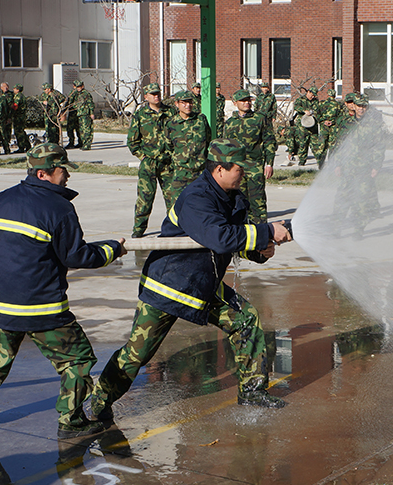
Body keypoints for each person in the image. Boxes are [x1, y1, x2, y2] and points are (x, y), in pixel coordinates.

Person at [87, 139, 292, 422]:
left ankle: (253, 391)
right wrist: (267, 230)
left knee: (245, 319)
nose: (244, 174)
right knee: (137, 354)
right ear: (220, 169)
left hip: (203, 282)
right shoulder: (196, 198)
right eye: (239, 169)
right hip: (170, 285)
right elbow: (218, 238)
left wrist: (261, 250)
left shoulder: (232, 198)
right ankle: (97, 403)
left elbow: (234, 238)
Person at [0, 143, 127, 439]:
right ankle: (71, 421)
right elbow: (77, 256)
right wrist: (112, 249)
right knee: (77, 360)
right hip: (42, 309)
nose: (67, 175)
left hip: (1, 305)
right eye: (62, 170)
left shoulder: (1, 200)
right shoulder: (59, 209)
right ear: (44, 173)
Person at [221, 89, 276, 223]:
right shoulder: (230, 123)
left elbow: (269, 141)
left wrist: (269, 163)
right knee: (238, 202)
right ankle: (243, 234)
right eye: (243, 101)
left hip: (254, 166)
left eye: (248, 100)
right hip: (236, 168)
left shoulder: (259, 118)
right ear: (235, 103)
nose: (247, 103)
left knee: (258, 202)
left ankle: (261, 233)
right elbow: (225, 147)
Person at [334, 93, 385, 239]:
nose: (361, 109)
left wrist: (376, 166)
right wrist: (337, 164)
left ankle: (358, 231)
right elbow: (338, 145)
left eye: (364, 106)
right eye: (359, 106)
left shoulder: (373, 124)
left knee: (360, 200)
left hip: (364, 168)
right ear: (353, 106)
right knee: (341, 199)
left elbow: (379, 146)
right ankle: (336, 229)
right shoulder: (345, 123)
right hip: (347, 167)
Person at [127, 83, 172, 238]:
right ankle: (138, 229)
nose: (156, 96)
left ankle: (175, 228)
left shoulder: (170, 112)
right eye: (152, 94)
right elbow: (132, 140)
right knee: (145, 199)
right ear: (146, 97)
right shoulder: (140, 115)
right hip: (149, 163)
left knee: (173, 198)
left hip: (168, 163)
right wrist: (142, 156)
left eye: (158, 93)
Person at [163, 90, 211, 207]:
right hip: (181, 172)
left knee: (203, 205)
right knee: (176, 207)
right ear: (176, 104)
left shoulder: (200, 120)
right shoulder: (171, 124)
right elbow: (168, 147)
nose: (188, 105)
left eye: (190, 102)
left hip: (200, 172)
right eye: (184, 102)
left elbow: (209, 140)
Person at [70, 80, 95, 150]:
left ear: (82, 86)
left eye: (79, 87)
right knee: (81, 130)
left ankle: (87, 144)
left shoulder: (86, 94)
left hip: (86, 114)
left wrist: (92, 113)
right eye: (77, 87)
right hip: (79, 114)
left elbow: (91, 104)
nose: (78, 88)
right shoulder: (76, 94)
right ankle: (83, 143)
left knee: (87, 130)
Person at [10, 84, 31, 153]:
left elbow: (15, 106)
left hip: (18, 117)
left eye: (14, 88)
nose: (13, 90)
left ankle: (21, 147)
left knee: (18, 132)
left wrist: (10, 111)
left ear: (18, 90)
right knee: (22, 131)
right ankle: (28, 146)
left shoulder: (18, 96)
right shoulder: (22, 96)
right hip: (21, 116)